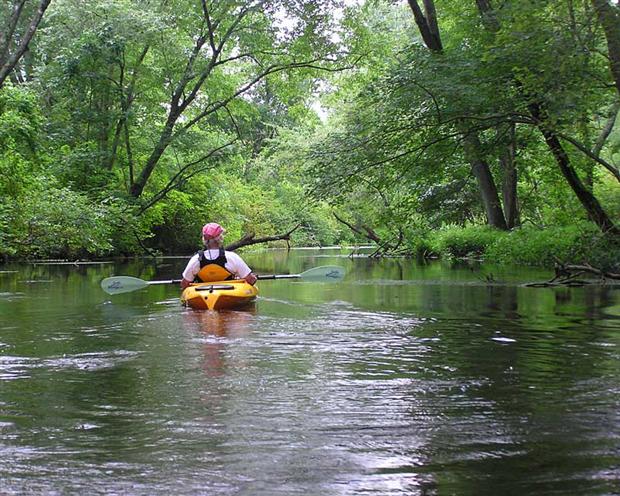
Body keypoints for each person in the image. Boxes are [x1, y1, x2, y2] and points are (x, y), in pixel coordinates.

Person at [180, 223, 257, 289]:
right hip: (228, 293)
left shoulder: (196, 259)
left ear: (204, 239)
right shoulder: (232, 257)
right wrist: (252, 278)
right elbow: (251, 280)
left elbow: (184, 284)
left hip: (202, 293)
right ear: (220, 238)